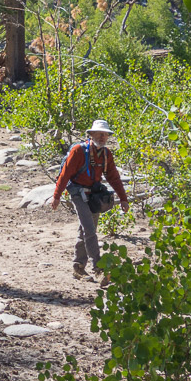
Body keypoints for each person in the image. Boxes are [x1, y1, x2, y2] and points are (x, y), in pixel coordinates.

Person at [51, 119, 130, 279]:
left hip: (94, 196)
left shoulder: (106, 155)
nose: (102, 137)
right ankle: (99, 268)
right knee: (90, 230)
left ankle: (78, 267)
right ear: (91, 134)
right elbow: (65, 174)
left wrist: (123, 198)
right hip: (77, 193)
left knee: (85, 230)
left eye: (105, 134)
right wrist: (56, 196)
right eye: (99, 134)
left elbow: (114, 178)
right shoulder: (79, 151)